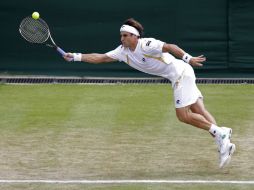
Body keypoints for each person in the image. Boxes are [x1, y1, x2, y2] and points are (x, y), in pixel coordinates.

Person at [63, 18, 235, 168]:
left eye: (125, 35)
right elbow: (101, 57)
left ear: (134, 36)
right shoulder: (122, 52)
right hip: (180, 74)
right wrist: (77, 56)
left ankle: (220, 133)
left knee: (183, 115)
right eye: (121, 35)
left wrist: (188, 57)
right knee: (199, 110)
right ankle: (223, 141)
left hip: (180, 73)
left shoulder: (147, 44)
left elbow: (170, 46)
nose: (121, 38)